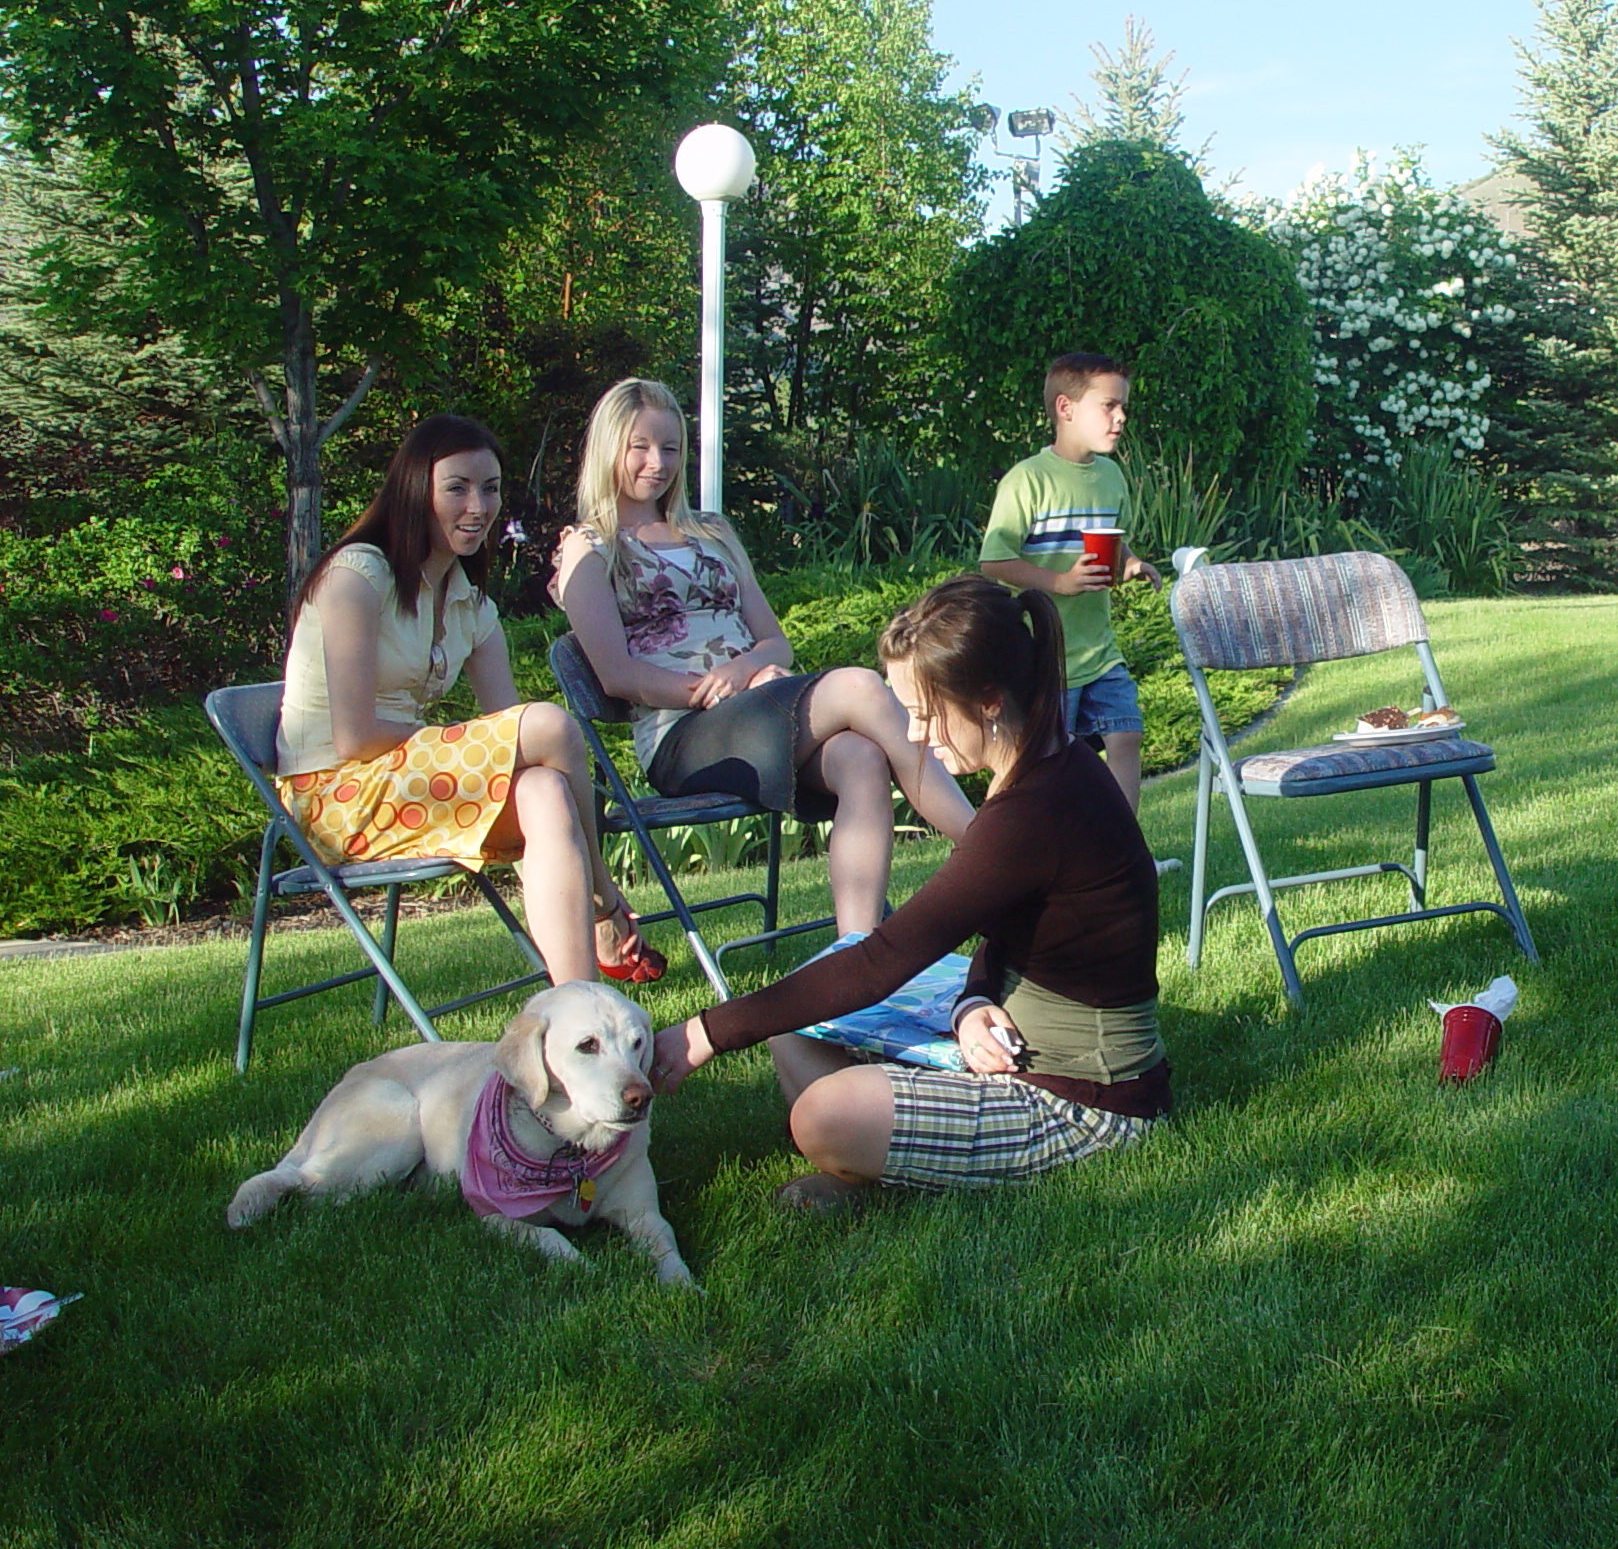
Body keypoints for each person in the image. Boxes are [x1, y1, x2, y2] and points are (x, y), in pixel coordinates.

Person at [651, 574, 1170, 1212]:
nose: (916, 735)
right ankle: (885, 1161)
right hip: (1021, 1044)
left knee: (823, 1115)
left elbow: (881, 963)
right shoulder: (1047, 767)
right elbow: (1004, 930)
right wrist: (972, 1003)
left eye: (925, 712)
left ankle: (870, 1176)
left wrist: (706, 1032)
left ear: (986, 702)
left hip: (1085, 1106)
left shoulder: (1032, 812)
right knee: (795, 1027)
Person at [553, 378, 975, 940]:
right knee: (860, 687)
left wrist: (747, 672)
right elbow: (616, 674)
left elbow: (775, 642)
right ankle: (989, 853)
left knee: (860, 759)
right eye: (640, 447)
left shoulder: (711, 530)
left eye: (671, 448)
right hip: (683, 734)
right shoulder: (591, 544)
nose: (657, 462)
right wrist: (721, 688)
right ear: (610, 447)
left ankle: (858, 955)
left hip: (752, 711)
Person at [274, 414, 652, 984]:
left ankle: (579, 1001)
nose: (478, 506)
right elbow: (352, 736)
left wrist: (483, 745)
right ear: (415, 490)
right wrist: (467, 742)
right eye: (457, 488)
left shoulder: (470, 606)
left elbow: (505, 728)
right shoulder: (357, 576)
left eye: (491, 488)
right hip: (333, 795)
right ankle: (603, 900)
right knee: (551, 726)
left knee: (544, 786)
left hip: (407, 785)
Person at [978, 352, 1161, 814]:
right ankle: (997, 846)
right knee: (1039, 762)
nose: (1120, 418)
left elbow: (1112, 547)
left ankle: (1121, 851)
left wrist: (1131, 564)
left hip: (1099, 650)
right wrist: (1058, 581)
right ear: (1066, 408)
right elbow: (994, 561)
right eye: (1109, 406)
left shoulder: (1111, 477)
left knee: (1126, 733)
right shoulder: (1029, 480)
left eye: (1124, 408)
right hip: (1046, 656)